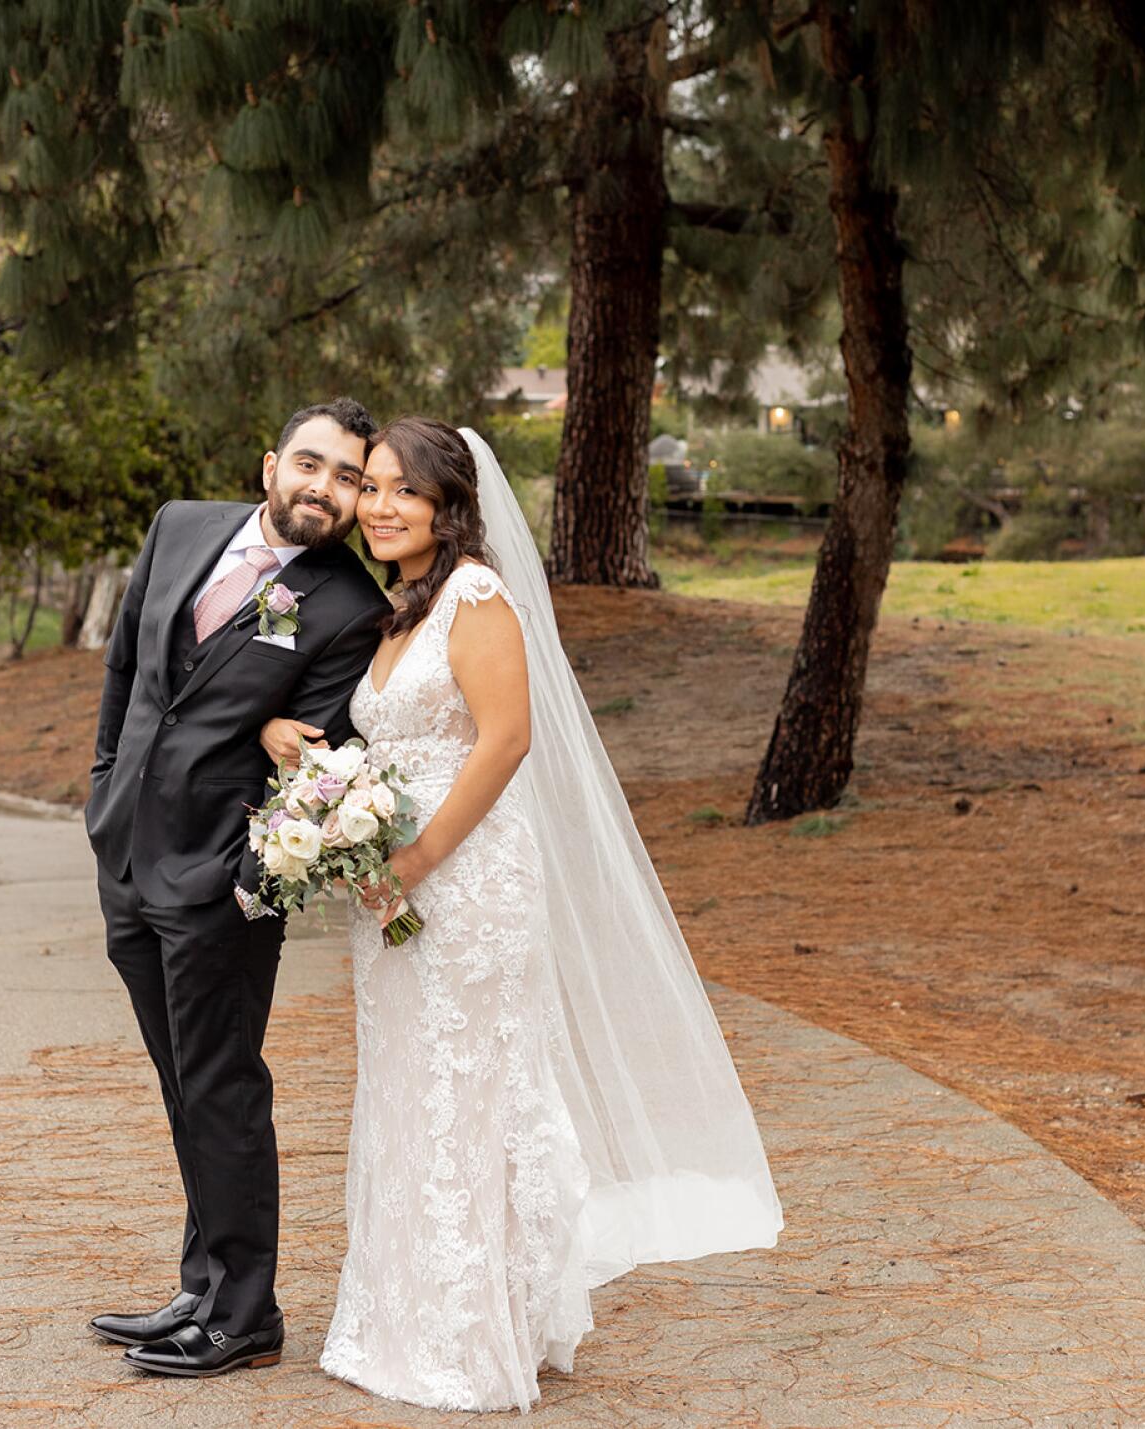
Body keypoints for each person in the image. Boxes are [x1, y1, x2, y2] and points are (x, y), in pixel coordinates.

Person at [260, 417, 784, 1412]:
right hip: (392, 890)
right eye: (369, 486)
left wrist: (412, 858)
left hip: (464, 885)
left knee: (473, 1093)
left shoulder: (477, 597)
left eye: (400, 490)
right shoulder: (399, 611)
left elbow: (502, 744)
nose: (376, 504)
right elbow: (396, 745)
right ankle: (397, 1319)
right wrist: (311, 767)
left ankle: (471, 1337)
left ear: (447, 505)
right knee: (411, 1092)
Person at [83, 397, 391, 1377]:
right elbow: (129, 667)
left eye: (346, 477)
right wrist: (101, 792)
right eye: (311, 464)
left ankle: (246, 1310)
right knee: (182, 1084)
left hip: (220, 881)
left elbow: (320, 760)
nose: (325, 488)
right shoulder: (178, 525)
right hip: (125, 851)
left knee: (221, 1085)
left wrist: (242, 876)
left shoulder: (347, 608)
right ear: (270, 465)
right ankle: (200, 1285)